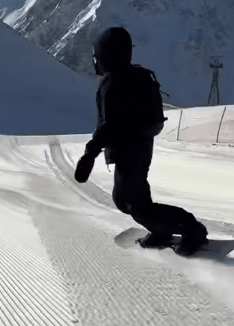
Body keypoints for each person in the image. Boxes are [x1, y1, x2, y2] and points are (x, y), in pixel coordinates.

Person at [75, 27, 209, 256]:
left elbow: (109, 125)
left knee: (134, 206)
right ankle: (161, 230)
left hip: (130, 151)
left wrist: (90, 154)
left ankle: (192, 229)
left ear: (106, 55)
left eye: (98, 55)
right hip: (138, 147)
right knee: (129, 200)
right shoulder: (130, 78)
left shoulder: (114, 84)